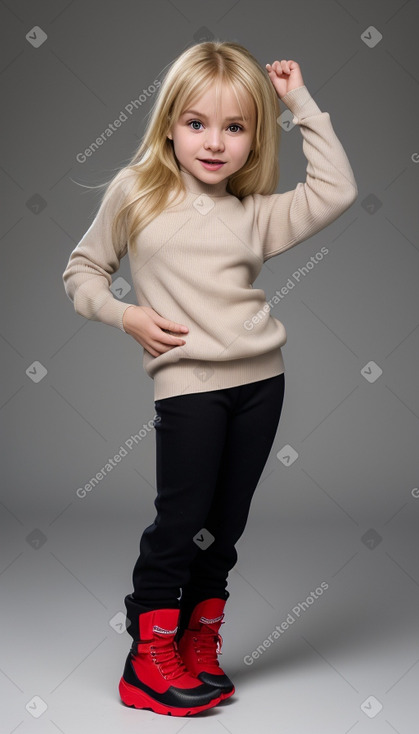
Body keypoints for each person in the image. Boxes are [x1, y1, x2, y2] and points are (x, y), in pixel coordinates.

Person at [62, 41, 357, 717]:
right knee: (181, 520)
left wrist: (299, 105)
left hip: (262, 383)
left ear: (254, 137)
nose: (214, 142)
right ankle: (146, 657)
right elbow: (81, 271)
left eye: (234, 127)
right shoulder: (135, 192)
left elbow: (337, 190)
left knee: (221, 529)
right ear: (168, 123)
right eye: (197, 123)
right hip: (189, 384)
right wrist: (125, 313)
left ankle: (195, 645)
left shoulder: (253, 213)